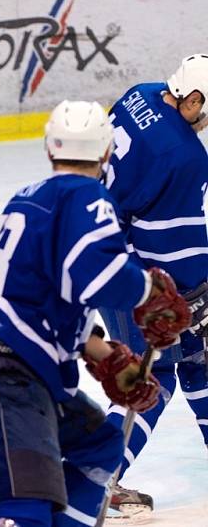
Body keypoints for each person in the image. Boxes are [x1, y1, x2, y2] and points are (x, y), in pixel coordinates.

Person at [0, 100, 190, 527]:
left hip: (0, 360)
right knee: (24, 507)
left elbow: (43, 290)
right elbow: (101, 274)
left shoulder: (28, 197)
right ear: (106, 152)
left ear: (50, 148)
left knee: (101, 446)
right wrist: (152, 290)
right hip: (6, 371)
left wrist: (102, 353)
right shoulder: (88, 196)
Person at [98, 53, 208, 518]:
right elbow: (174, 242)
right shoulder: (183, 156)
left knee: (197, 362)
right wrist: (195, 296)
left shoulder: (139, 95)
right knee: (154, 379)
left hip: (100, 252)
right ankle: (94, 479)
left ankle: (92, 476)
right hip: (139, 278)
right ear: (193, 99)